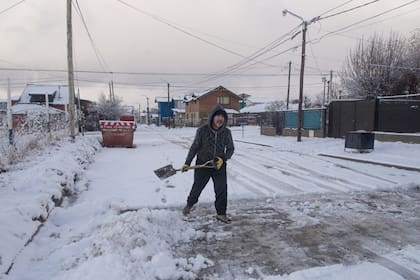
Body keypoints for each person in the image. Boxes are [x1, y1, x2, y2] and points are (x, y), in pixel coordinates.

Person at [181, 105, 235, 223]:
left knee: (221, 189)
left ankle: (221, 214)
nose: (220, 119)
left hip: (219, 165)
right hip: (203, 164)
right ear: (212, 117)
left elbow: (231, 149)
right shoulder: (202, 130)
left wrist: (223, 159)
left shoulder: (226, 132)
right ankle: (189, 205)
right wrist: (187, 163)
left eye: (222, 117)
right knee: (197, 187)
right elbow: (194, 147)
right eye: (218, 116)